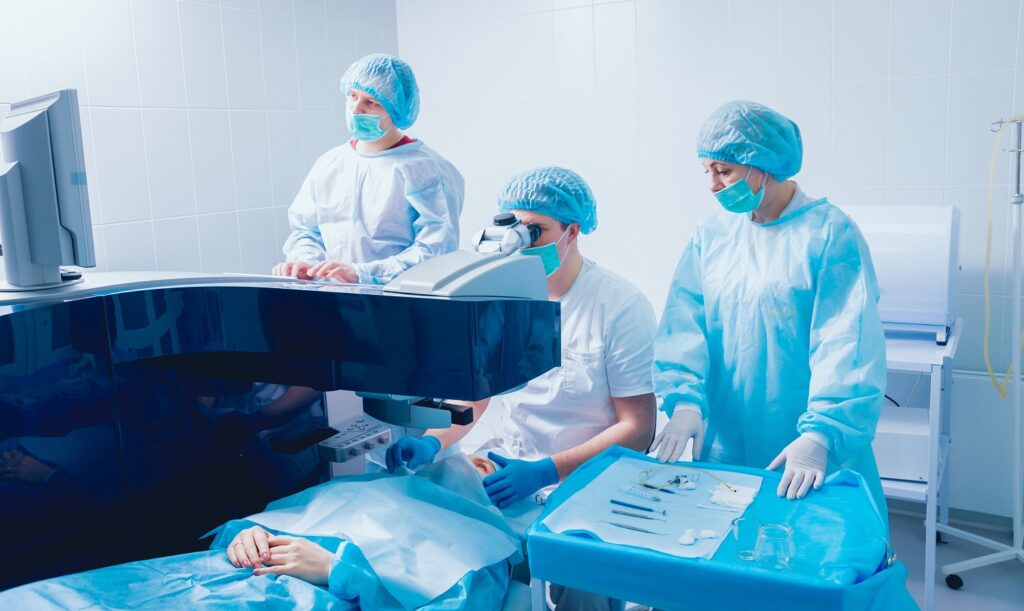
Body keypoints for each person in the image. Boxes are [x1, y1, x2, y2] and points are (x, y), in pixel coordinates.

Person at [386, 167, 657, 610]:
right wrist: (433, 441)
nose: (523, 242)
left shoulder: (619, 306)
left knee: (581, 590)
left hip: (586, 482)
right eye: (517, 228)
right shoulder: (505, 297)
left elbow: (639, 427)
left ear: (572, 231)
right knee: (428, 540)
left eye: (538, 230)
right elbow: (479, 393)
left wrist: (547, 471)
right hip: (503, 468)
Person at [650, 100, 887, 510]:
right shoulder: (712, 234)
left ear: (762, 164)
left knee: (808, 555)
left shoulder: (829, 233)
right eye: (707, 171)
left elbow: (847, 341)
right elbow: (684, 323)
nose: (713, 185)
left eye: (724, 171)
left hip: (806, 449)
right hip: (726, 439)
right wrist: (685, 401)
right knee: (726, 552)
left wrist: (822, 435)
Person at [273, 53, 464, 285]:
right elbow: (306, 231)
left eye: (371, 102)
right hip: (333, 301)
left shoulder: (426, 169)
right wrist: (306, 264)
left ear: (396, 109)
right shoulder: (330, 163)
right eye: (353, 96)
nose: (356, 109)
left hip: (398, 303)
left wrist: (364, 273)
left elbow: (435, 249)